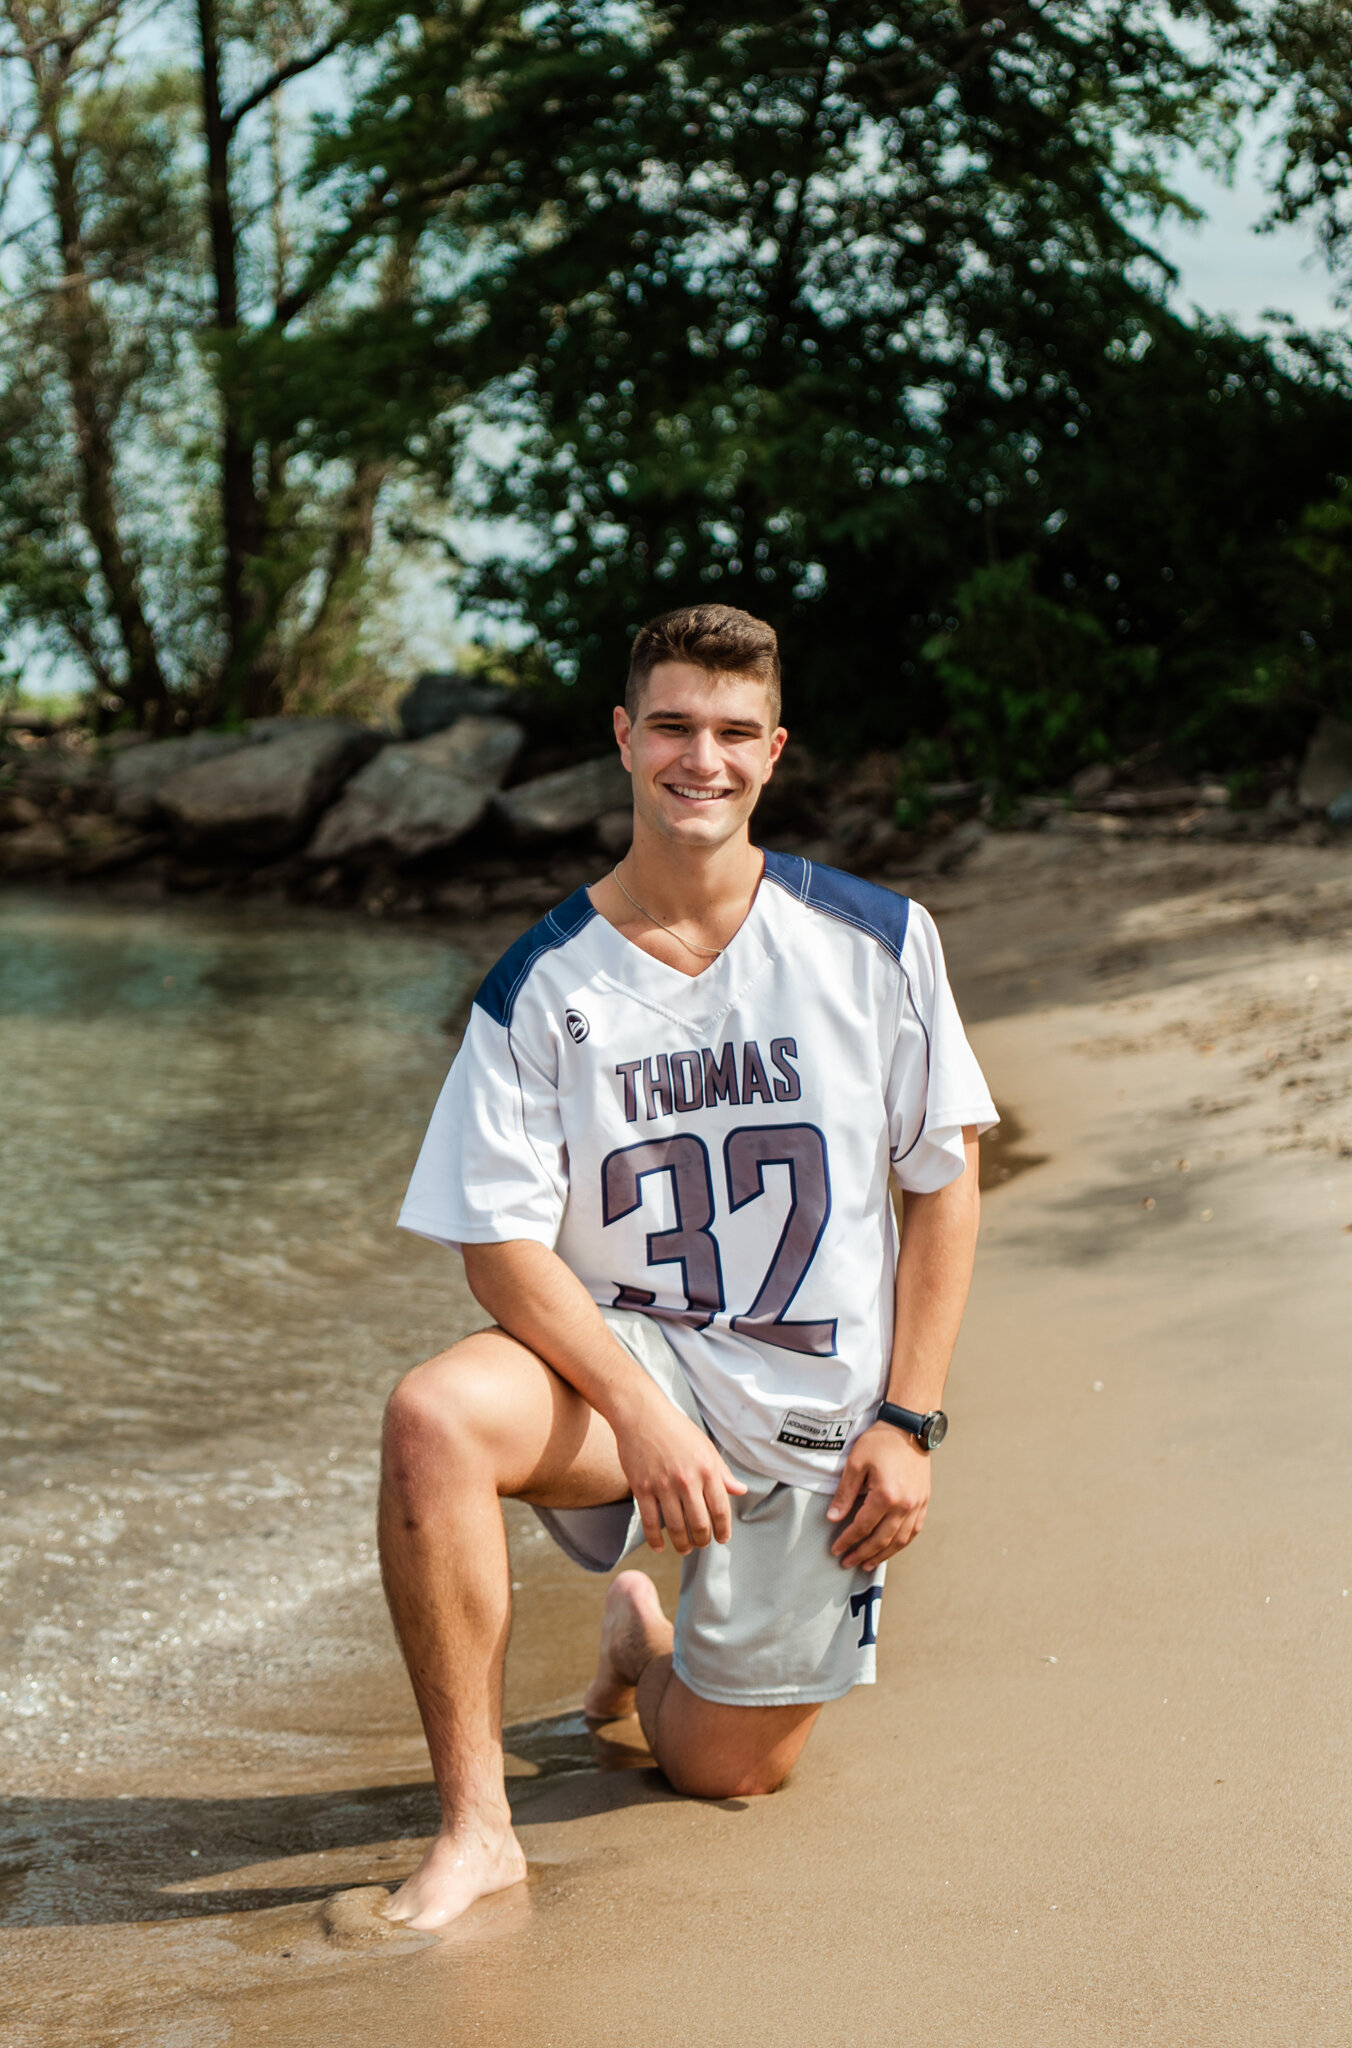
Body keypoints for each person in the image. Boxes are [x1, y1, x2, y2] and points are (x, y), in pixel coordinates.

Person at [379, 603, 997, 1930]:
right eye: (670, 726)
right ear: (623, 738)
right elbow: (498, 1247)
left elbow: (944, 1191)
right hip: (632, 1367)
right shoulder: (541, 986)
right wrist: (650, 1419)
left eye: (729, 733)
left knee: (726, 1773)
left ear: (773, 752)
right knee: (434, 1415)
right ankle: (478, 1829)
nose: (697, 759)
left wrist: (909, 1422)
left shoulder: (878, 942)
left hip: (818, 1412)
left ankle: (642, 1651)